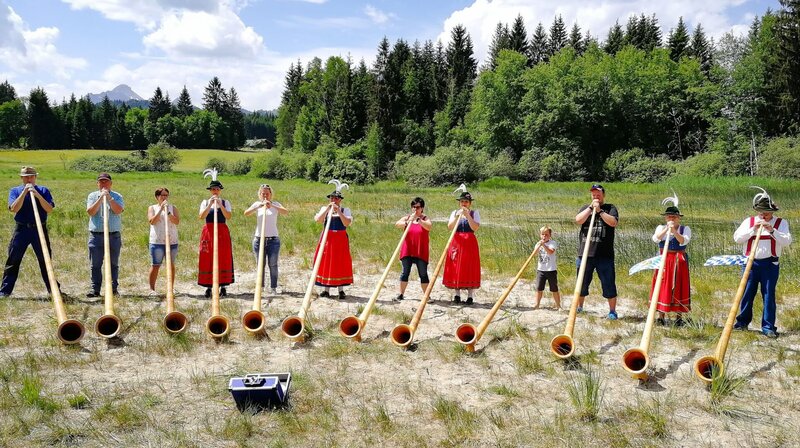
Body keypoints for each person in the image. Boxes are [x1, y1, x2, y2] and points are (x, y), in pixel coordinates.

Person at [733, 189, 792, 338]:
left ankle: (768, 326)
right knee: (746, 293)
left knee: (768, 295)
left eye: (766, 212)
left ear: (771, 211)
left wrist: (772, 230)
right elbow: (738, 238)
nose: (763, 215)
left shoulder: (780, 223)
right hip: (750, 264)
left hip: (770, 265)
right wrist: (753, 230)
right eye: (760, 211)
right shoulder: (749, 221)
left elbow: (786, 241)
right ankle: (742, 323)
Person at [0, 167, 57, 298]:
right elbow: (14, 208)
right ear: (22, 178)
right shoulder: (15, 191)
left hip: (39, 229)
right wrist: (24, 192)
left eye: (31, 176)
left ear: (35, 177)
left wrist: (37, 195)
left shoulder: (43, 190)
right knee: (13, 259)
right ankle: (5, 291)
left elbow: (49, 209)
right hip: (22, 230)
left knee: (45, 260)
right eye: (26, 177)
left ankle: (53, 290)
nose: (29, 179)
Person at [575, 184, 619, 319]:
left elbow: (613, 223)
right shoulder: (585, 208)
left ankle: (612, 311)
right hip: (585, 254)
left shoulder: (610, 208)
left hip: (604, 255)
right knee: (581, 282)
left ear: (603, 195)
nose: (596, 196)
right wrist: (590, 208)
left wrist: (599, 211)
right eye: (593, 194)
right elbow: (578, 220)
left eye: (598, 194)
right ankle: (579, 307)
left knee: (608, 283)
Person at [244, 184, 288, 295]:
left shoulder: (275, 204)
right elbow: (246, 213)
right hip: (259, 240)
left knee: (273, 264)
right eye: (263, 193)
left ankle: (273, 287)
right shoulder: (257, 204)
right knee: (260, 264)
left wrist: (272, 205)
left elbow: (285, 212)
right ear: (259, 194)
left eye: (267, 194)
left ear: (271, 194)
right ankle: (261, 287)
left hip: (273, 240)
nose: (265, 196)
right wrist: (258, 206)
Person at [650, 205, 691, 326]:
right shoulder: (661, 227)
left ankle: (679, 317)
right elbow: (656, 239)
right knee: (662, 285)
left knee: (679, 285)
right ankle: (661, 316)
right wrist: (666, 230)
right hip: (663, 259)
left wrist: (674, 231)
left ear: (679, 218)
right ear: (665, 218)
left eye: (674, 216)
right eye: (669, 216)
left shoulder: (685, 229)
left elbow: (683, 241)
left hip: (679, 260)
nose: (671, 218)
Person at [86, 172, 125, 297]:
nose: (104, 183)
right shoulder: (92, 196)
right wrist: (100, 198)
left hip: (113, 235)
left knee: (113, 264)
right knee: (95, 264)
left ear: (111, 183)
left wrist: (108, 198)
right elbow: (91, 212)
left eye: (106, 181)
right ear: (97, 183)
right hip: (96, 236)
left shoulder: (117, 196)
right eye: (101, 181)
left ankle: (113, 289)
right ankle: (95, 289)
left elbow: (118, 210)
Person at [313, 188, 353, 299]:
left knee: (340, 262)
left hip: (340, 239)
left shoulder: (345, 210)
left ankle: (341, 290)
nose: (333, 200)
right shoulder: (324, 209)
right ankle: (326, 289)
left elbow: (346, 223)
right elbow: (319, 220)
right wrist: (327, 210)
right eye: (331, 198)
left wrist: (338, 211)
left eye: (336, 198)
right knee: (326, 261)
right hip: (327, 238)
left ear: (340, 200)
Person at [198, 178, 234, 297]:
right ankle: (208, 286)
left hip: (222, 231)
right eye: (213, 189)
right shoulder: (205, 202)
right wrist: (210, 204)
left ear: (220, 191)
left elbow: (228, 216)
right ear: (210, 191)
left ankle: (223, 286)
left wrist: (219, 205)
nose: (215, 191)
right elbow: (201, 216)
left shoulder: (225, 202)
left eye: (217, 189)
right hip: (208, 231)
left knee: (223, 256)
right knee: (207, 256)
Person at [443, 190, 481, 304]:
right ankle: (457, 295)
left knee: (470, 267)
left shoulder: (475, 213)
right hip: (457, 242)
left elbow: (475, 227)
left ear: (470, 203)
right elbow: (450, 227)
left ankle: (470, 296)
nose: (464, 204)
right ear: (459, 203)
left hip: (469, 242)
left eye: (466, 202)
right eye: (462, 201)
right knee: (456, 266)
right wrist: (458, 216)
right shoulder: (454, 212)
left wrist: (467, 215)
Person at [395, 197, 432, 301]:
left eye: (418, 207)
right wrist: (407, 222)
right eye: (414, 207)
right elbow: (397, 224)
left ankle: (427, 296)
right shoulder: (407, 218)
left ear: (422, 208)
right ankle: (401, 294)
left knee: (423, 273)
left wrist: (419, 220)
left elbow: (429, 226)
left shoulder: (425, 219)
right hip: (408, 250)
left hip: (421, 251)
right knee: (405, 272)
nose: (416, 209)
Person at [147, 187, 180, 296]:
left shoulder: (173, 207)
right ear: (157, 197)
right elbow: (152, 221)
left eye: (166, 195)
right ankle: (152, 289)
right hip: (157, 241)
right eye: (162, 195)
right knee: (155, 265)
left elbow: (177, 221)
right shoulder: (152, 208)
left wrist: (168, 212)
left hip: (172, 240)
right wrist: (161, 209)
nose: (164, 197)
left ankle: (171, 288)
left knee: (171, 265)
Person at [533, 226, 561, 310]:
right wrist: (539, 246)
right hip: (541, 270)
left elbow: (550, 251)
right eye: (542, 234)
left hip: (551, 270)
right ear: (540, 235)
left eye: (546, 235)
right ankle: (537, 305)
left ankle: (558, 306)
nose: (544, 236)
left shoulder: (552, 243)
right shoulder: (538, 243)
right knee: (539, 289)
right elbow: (534, 254)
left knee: (554, 289)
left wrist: (544, 245)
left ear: (550, 235)